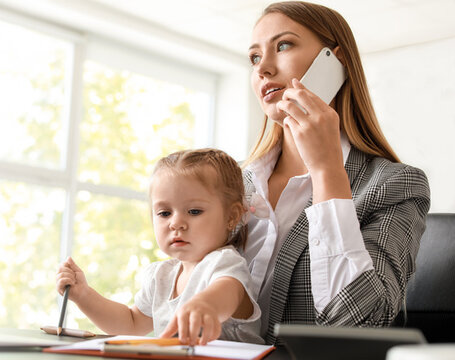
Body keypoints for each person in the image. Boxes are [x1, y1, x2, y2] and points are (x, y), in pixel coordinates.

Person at [243, 1, 430, 344]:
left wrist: (327, 171)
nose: (263, 69)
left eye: (283, 45)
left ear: (337, 60)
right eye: (255, 57)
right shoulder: (234, 183)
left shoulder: (396, 185)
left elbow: (359, 325)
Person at [55, 149, 263, 345]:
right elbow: (131, 323)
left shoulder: (224, 263)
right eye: (164, 213)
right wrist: (84, 296)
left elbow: (228, 292)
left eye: (194, 211)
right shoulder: (161, 276)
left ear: (232, 216)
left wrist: (205, 306)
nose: (176, 223)